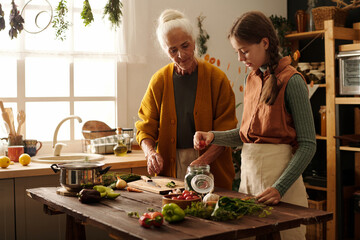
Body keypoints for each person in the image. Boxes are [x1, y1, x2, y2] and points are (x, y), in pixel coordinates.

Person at [193, 11, 316, 239]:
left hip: (281, 185)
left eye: (245, 50)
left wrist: (280, 187)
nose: (240, 58)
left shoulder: (293, 81)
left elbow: (309, 145)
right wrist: (213, 136)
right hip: (249, 181)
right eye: (237, 51)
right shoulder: (251, 79)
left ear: (265, 43)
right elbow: (246, 135)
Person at [135, 9, 238, 190]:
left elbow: (226, 132)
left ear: (194, 41)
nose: (181, 55)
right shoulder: (159, 81)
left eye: (185, 46)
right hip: (170, 168)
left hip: (211, 166)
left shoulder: (217, 79)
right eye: (173, 50)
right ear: (166, 51)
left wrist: (202, 162)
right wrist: (150, 154)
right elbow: (145, 128)